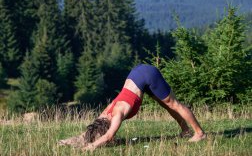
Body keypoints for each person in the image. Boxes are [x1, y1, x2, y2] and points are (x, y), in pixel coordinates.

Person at [59, 64, 206, 150]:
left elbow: (109, 137)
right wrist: (66, 141)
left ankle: (199, 133)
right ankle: (186, 131)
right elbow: (90, 133)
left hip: (147, 75)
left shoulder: (117, 114)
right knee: (166, 106)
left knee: (174, 104)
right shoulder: (103, 116)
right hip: (137, 75)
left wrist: (91, 148)